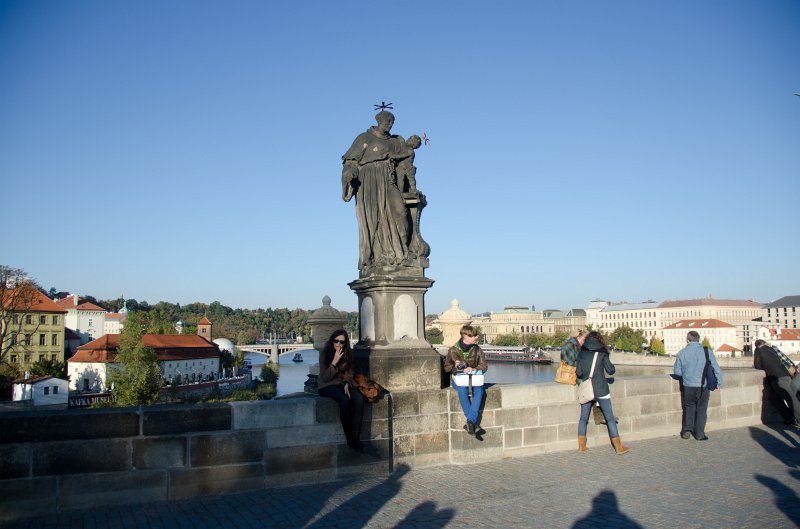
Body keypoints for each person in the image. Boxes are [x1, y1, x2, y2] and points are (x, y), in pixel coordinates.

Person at [342, 110, 413, 276]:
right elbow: (350, 161)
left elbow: (407, 161)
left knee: (400, 211)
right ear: (379, 121)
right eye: (388, 121)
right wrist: (349, 173)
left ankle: (402, 252)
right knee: (374, 218)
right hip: (369, 181)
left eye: (392, 122)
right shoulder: (364, 138)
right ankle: (376, 257)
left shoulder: (396, 141)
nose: (390, 125)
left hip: (389, 180)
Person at [575, 331, 630, 454]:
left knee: (583, 418)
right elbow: (610, 370)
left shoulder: (581, 353)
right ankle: (618, 447)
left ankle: (581, 446)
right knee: (609, 417)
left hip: (587, 389)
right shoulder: (602, 353)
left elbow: (578, 373)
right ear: (599, 340)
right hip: (601, 388)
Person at [318, 329, 366, 452]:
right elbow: (325, 377)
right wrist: (334, 361)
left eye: (342, 342)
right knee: (344, 400)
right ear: (332, 340)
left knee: (359, 399)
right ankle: (349, 438)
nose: (339, 344)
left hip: (342, 384)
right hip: (327, 386)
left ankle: (356, 438)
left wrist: (346, 383)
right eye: (336, 341)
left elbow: (349, 373)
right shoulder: (325, 353)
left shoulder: (347, 353)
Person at [673, 330, 723, 441]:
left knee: (689, 408)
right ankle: (700, 434)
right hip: (702, 386)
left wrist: (687, 375)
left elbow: (677, 372)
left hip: (688, 386)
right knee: (701, 409)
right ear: (698, 339)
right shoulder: (707, 351)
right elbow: (716, 368)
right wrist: (719, 383)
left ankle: (687, 430)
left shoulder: (682, 353)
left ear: (687, 339)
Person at [443, 325, 488, 435]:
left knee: (479, 390)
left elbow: (484, 366)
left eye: (476, 335)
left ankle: (470, 422)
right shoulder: (453, 350)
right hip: (460, 380)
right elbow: (446, 367)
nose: (476, 337)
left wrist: (473, 368)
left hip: (474, 379)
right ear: (464, 336)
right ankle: (472, 422)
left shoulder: (477, 349)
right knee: (462, 390)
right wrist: (455, 367)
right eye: (472, 336)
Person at [754, 339, 800, 428]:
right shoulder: (772, 349)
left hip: (776, 377)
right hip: (785, 375)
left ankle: (797, 419)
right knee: (773, 398)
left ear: (757, 345)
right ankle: (790, 418)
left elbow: (757, 365)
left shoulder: (758, 351)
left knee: (789, 397)